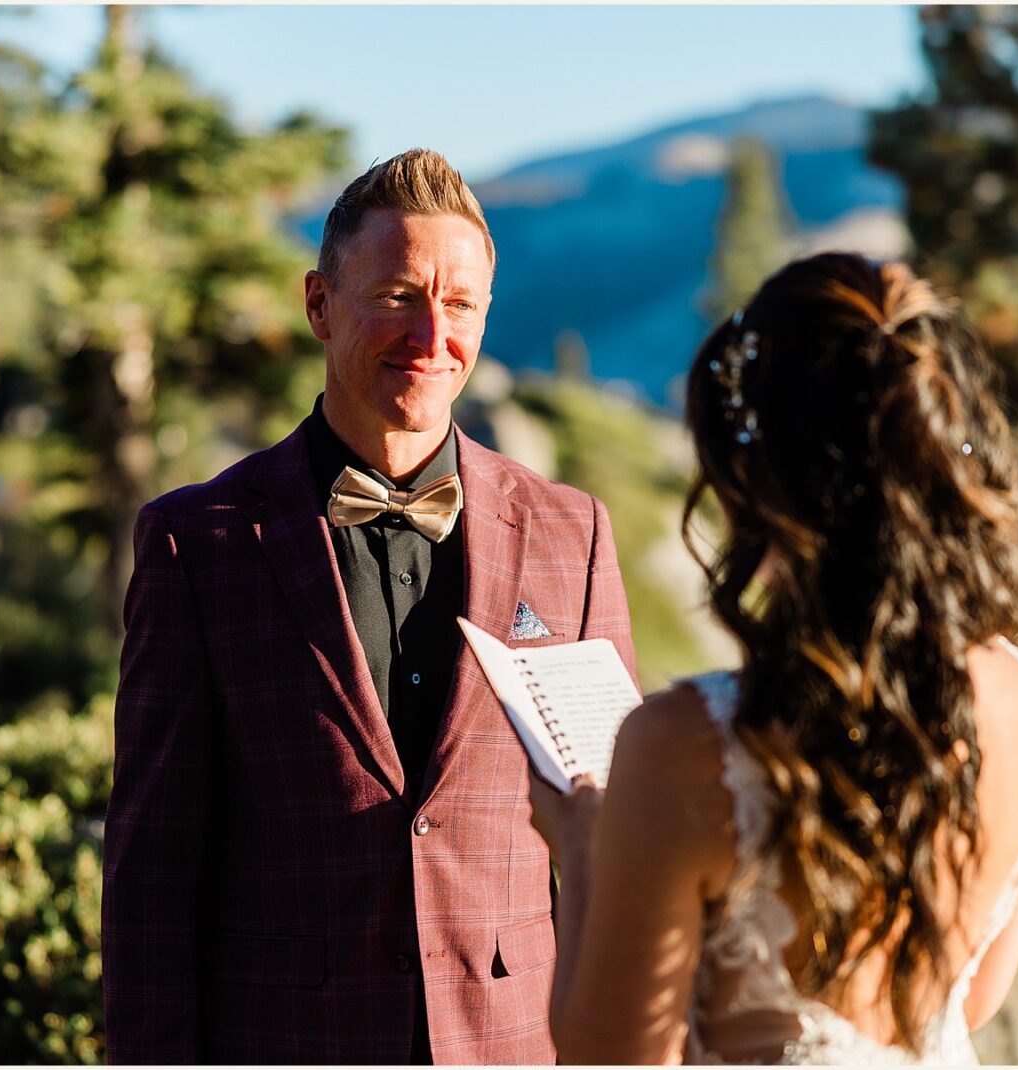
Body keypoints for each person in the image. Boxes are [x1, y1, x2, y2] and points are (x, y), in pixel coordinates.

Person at [102, 148, 637, 1065]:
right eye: (397, 295)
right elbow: (151, 879)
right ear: (319, 303)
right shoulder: (200, 544)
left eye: (460, 303)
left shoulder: (572, 534)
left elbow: (619, 841)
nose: (433, 335)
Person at [529, 253, 1018, 1064]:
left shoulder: (687, 746)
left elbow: (611, 1060)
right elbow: (974, 997)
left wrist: (580, 846)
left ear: (758, 474)